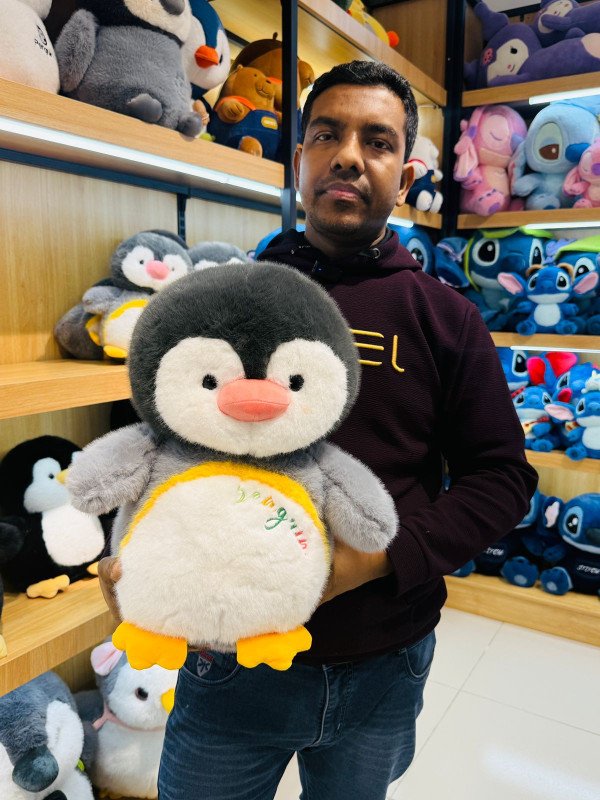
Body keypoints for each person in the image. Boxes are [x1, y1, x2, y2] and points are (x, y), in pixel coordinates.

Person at [99, 60, 538, 799]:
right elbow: (165, 447)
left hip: (383, 662)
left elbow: (502, 477)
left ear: (406, 176)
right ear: (299, 160)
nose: (349, 157)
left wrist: (377, 560)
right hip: (227, 664)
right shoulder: (223, 300)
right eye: (328, 135)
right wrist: (138, 558)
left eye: (378, 141)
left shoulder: (445, 317)